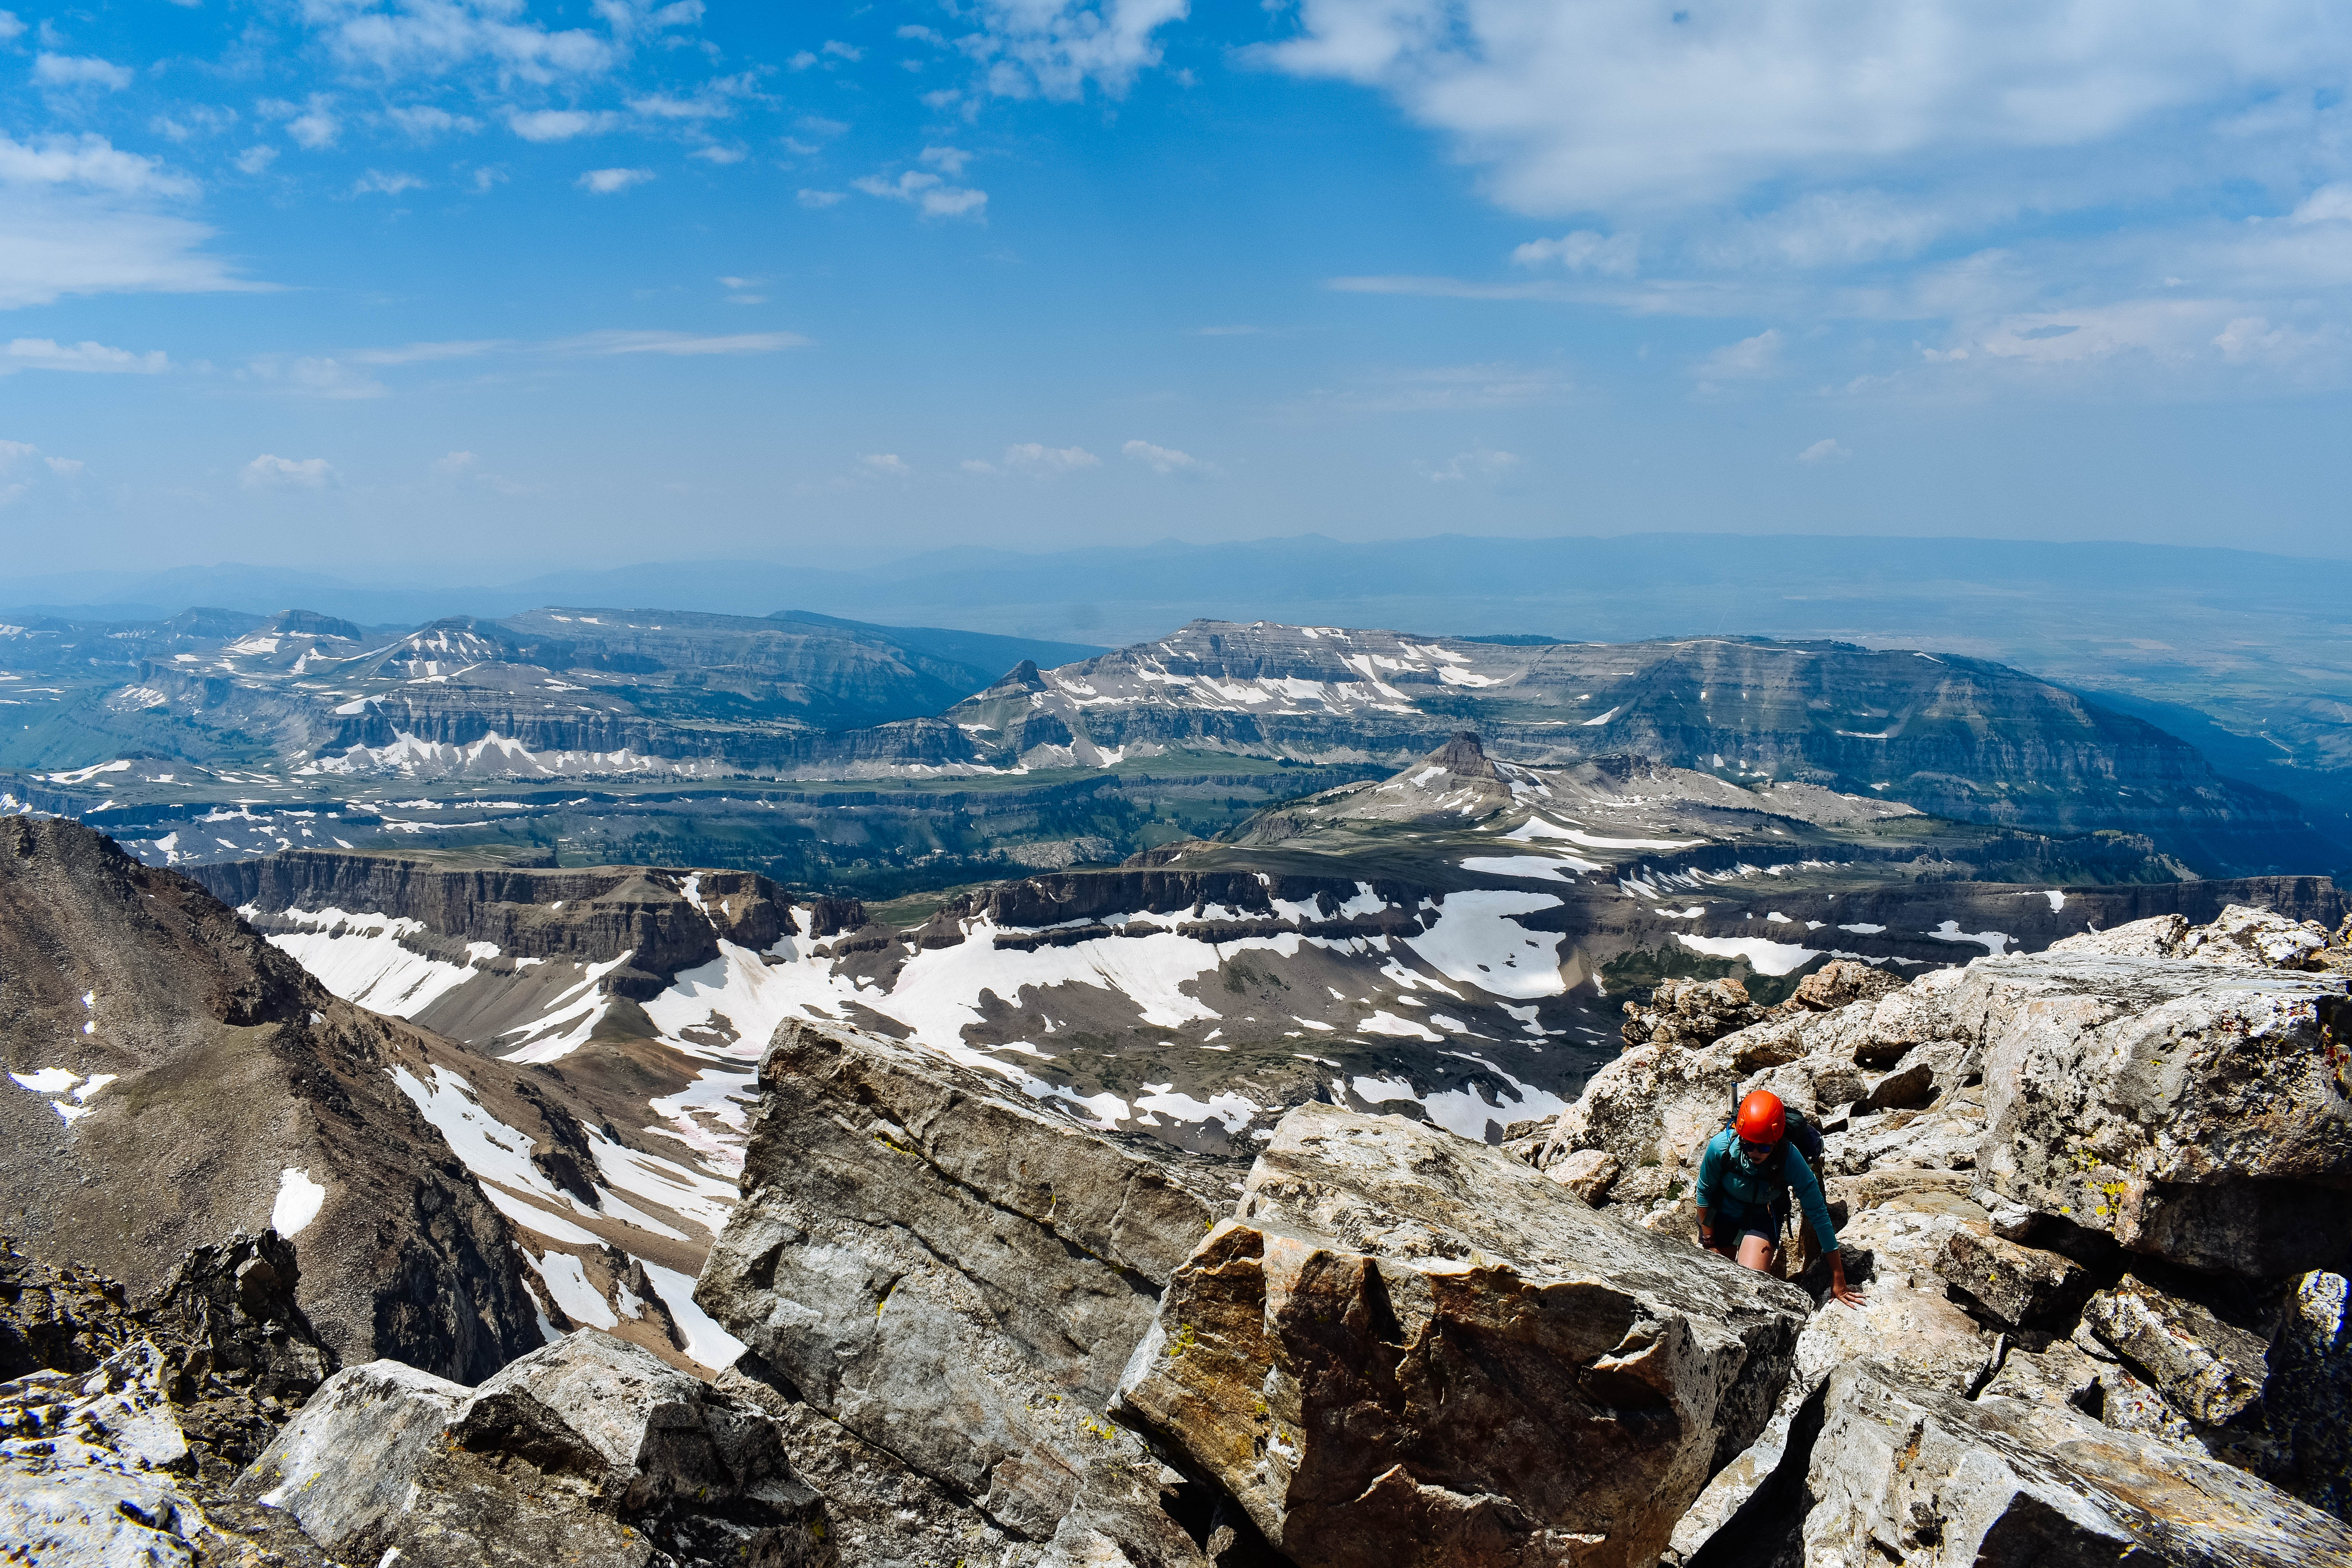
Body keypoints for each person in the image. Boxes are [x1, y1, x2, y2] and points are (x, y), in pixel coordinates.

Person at [1695, 1090, 1862, 1307]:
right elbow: (1704, 1193)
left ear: (1776, 1141)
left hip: (1762, 1215)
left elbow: (1818, 1214)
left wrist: (1838, 1277)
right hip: (1722, 1215)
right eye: (1748, 1144)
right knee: (1716, 1282)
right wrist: (1709, 1240)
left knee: (1748, 1286)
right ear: (1740, 1135)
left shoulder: (1789, 1157)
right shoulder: (1721, 1147)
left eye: (1764, 1146)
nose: (1755, 1152)